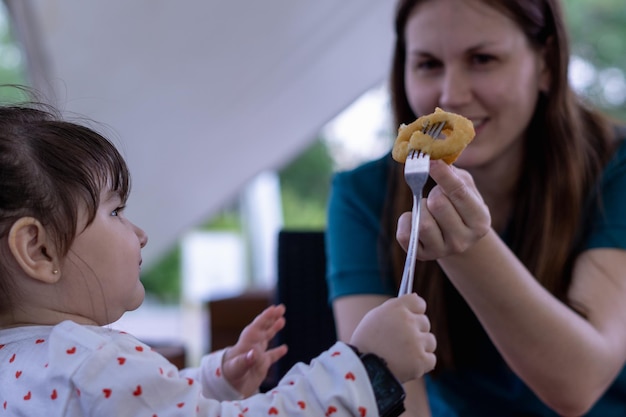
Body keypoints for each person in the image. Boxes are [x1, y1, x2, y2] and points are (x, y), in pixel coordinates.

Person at [0, 100, 437, 416]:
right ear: (39, 250)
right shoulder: (88, 361)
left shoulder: (26, 368)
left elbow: (142, 406)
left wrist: (216, 383)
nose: (140, 233)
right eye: (115, 211)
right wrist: (364, 364)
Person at [326, 0, 626, 416]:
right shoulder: (362, 193)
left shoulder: (616, 169)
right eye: (428, 64)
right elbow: (390, 399)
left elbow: (579, 384)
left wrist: (468, 248)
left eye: (483, 59)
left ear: (546, 65)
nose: (452, 94)